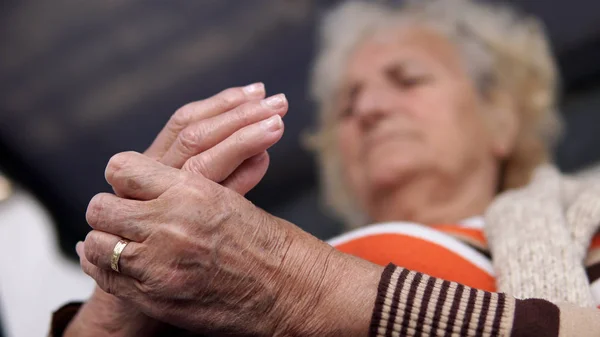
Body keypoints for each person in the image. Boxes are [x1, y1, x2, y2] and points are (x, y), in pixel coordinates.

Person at [52, 0, 600, 336]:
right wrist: (114, 310)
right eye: (346, 104)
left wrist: (309, 291)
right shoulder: (227, 272)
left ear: (501, 118)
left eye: (407, 78)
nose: (368, 108)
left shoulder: (587, 216)